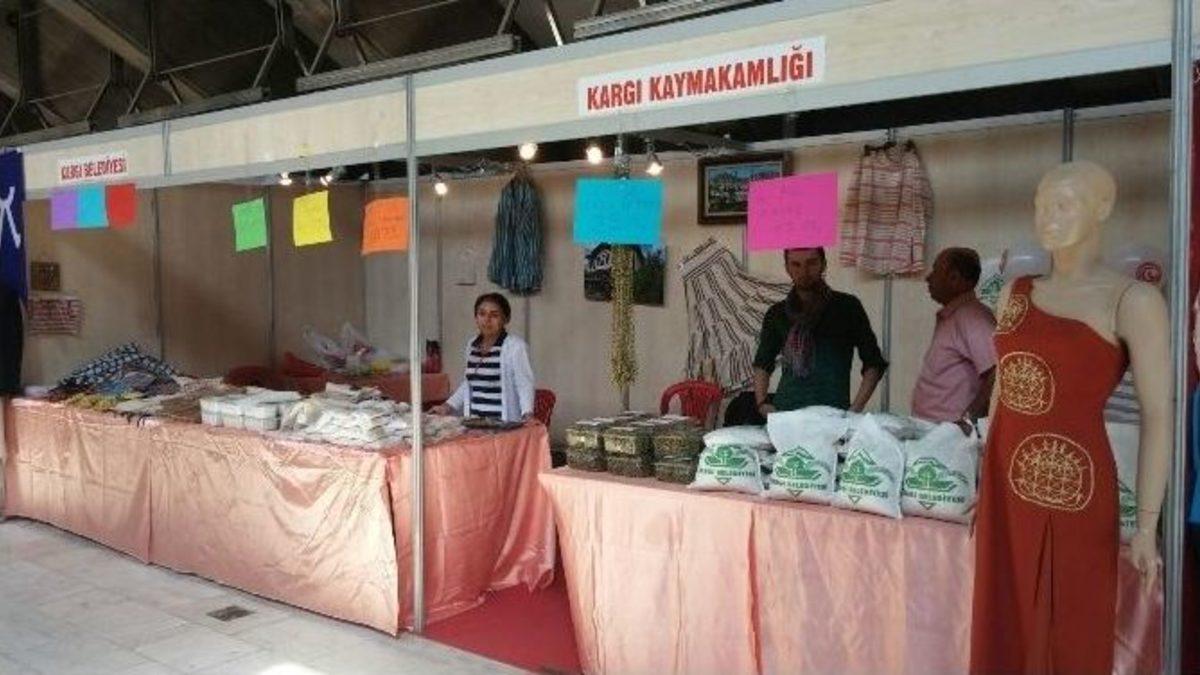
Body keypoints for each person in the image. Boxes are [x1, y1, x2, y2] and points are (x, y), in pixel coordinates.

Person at [753, 247, 887, 416]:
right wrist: (762, 403)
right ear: (787, 268)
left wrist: (854, 410)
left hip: (833, 414)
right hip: (786, 413)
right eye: (796, 264)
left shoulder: (847, 307)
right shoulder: (777, 313)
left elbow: (873, 362)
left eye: (811, 263)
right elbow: (763, 362)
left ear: (823, 264)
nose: (804, 271)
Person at [911, 247, 997, 428]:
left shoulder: (972, 318)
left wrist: (969, 420)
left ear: (954, 278)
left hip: (950, 434)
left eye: (935, 271)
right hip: (932, 429)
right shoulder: (955, 315)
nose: (928, 278)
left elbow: (998, 372)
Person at [432, 293, 536, 423]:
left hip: (502, 425)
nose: (487, 320)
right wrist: (447, 406)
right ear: (476, 318)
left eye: (494, 315)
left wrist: (527, 414)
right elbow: (468, 384)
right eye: (482, 314)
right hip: (474, 424)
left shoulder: (515, 346)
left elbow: (524, 384)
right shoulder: (472, 345)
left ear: (506, 319)